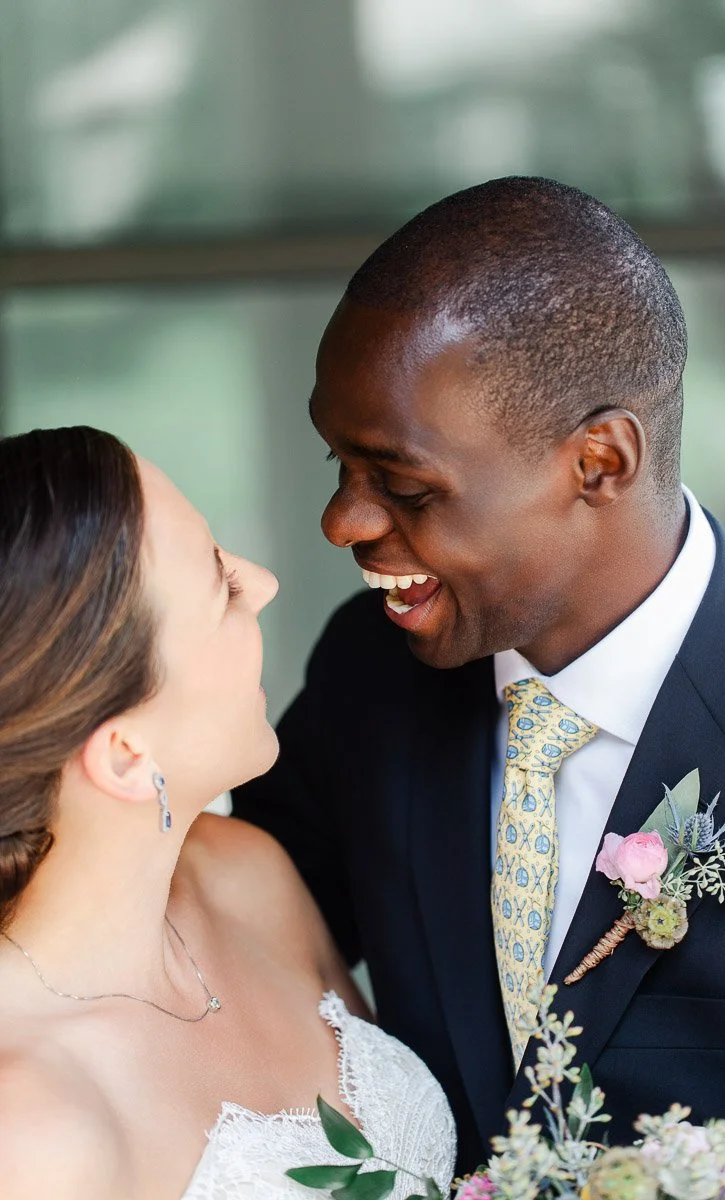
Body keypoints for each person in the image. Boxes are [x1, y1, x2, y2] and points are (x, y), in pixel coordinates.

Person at [234, 176, 725, 1174]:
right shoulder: (367, 678)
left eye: (401, 485)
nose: (343, 523)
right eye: (338, 467)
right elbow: (221, 952)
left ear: (598, 461)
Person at [0, 427, 456, 1200]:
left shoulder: (248, 875)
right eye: (221, 588)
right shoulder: (28, 1133)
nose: (266, 583)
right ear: (124, 755)